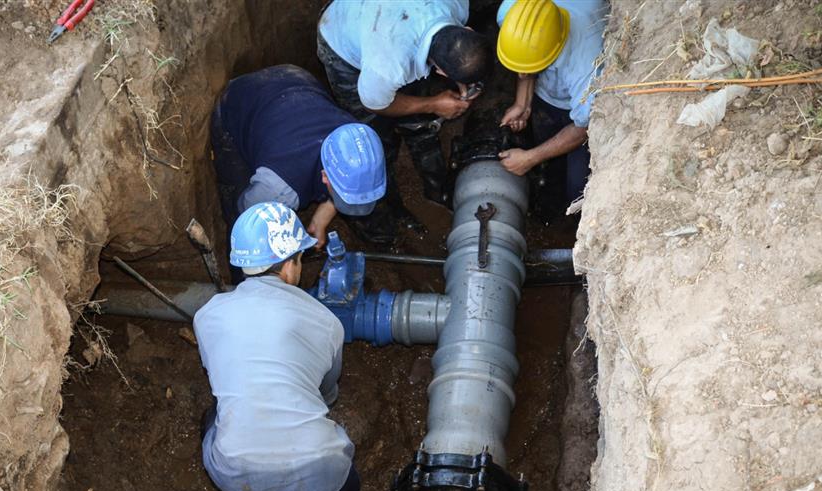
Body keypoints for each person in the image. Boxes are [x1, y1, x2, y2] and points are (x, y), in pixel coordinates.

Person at [193, 202, 382, 491]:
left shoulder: (206, 315)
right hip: (321, 471)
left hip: (235, 476)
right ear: (288, 265)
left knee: (211, 416)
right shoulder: (326, 322)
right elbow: (328, 391)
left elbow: (220, 372)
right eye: (298, 259)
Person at [317, 0, 492, 241]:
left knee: (420, 123)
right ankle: (389, 215)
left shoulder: (456, 5)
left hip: (391, 20)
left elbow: (457, 52)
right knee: (375, 142)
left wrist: (462, 76)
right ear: (441, 71)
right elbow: (374, 104)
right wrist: (434, 104)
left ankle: (438, 191)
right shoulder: (387, 65)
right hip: (342, 39)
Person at [211, 65, 386, 283]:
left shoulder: (357, 144)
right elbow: (249, 219)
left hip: (296, 80)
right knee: (239, 210)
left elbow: (349, 183)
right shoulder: (278, 190)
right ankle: (243, 285)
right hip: (239, 103)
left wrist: (320, 219)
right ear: (325, 177)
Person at [494, 0, 607, 215]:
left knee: (577, 188)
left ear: (555, 50)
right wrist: (522, 102)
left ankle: (574, 225)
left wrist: (529, 158)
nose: (521, 74)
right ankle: (548, 197)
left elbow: (583, 127)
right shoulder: (512, 15)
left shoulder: (586, 66)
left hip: (579, 114)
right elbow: (524, 64)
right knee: (546, 153)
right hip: (547, 94)